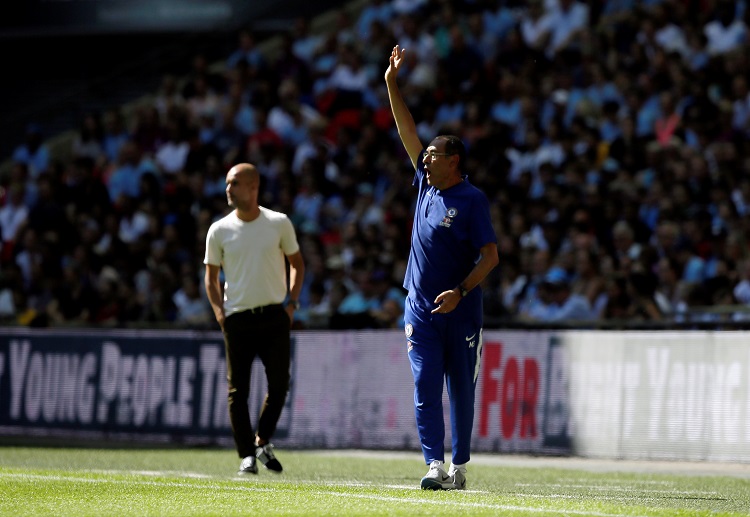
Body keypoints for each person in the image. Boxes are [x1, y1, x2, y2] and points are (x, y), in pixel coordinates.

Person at [384, 45, 499, 491]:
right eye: (425, 156)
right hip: (420, 307)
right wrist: (392, 82)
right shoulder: (424, 185)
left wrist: (461, 292)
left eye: (434, 155)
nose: (425, 159)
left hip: (462, 309)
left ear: (454, 161)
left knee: (461, 390)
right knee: (425, 384)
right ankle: (434, 463)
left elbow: (491, 257)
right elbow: (406, 129)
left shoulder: (472, 201)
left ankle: (460, 465)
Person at [204, 162, 305, 475]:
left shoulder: (278, 223)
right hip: (237, 318)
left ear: (253, 186)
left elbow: (297, 264)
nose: (228, 190)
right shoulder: (218, 229)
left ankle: (262, 439)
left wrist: (292, 304)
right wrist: (220, 313)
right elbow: (211, 277)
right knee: (239, 390)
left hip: (275, 315)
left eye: (234, 183)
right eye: (227, 183)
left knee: (279, 385)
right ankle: (247, 454)